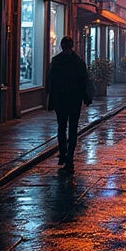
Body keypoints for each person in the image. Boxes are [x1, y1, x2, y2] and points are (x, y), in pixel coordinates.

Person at [47, 36, 92, 174]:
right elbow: (84, 82)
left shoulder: (56, 61)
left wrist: (50, 97)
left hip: (61, 100)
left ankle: (63, 153)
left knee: (61, 127)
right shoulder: (79, 62)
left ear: (62, 46)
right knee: (72, 129)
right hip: (74, 100)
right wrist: (86, 97)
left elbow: (50, 82)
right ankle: (69, 157)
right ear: (72, 46)